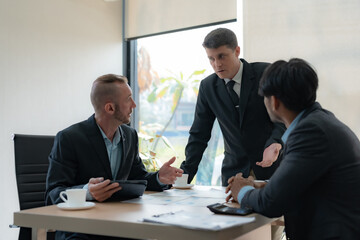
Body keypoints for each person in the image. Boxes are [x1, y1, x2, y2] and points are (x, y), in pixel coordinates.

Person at [226, 58, 360, 239]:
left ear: (274, 102)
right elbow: (302, 182)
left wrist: (241, 191)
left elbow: (270, 203)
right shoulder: (320, 121)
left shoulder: (310, 132)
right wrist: (257, 186)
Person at [46, 74, 183, 240]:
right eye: (128, 99)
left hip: (120, 224)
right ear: (110, 108)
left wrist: (160, 178)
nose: (134, 105)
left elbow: (138, 177)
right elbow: (53, 193)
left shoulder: (129, 135)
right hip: (82, 230)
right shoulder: (69, 138)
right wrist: (87, 192)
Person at [180, 28, 285, 185]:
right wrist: (184, 177)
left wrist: (276, 142)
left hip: (274, 168)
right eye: (211, 59)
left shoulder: (266, 73)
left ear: (237, 51)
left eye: (222, 56)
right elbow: (199, 134)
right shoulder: (207, 87)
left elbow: (284, 116)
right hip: (234, 175)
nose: (217, 64)